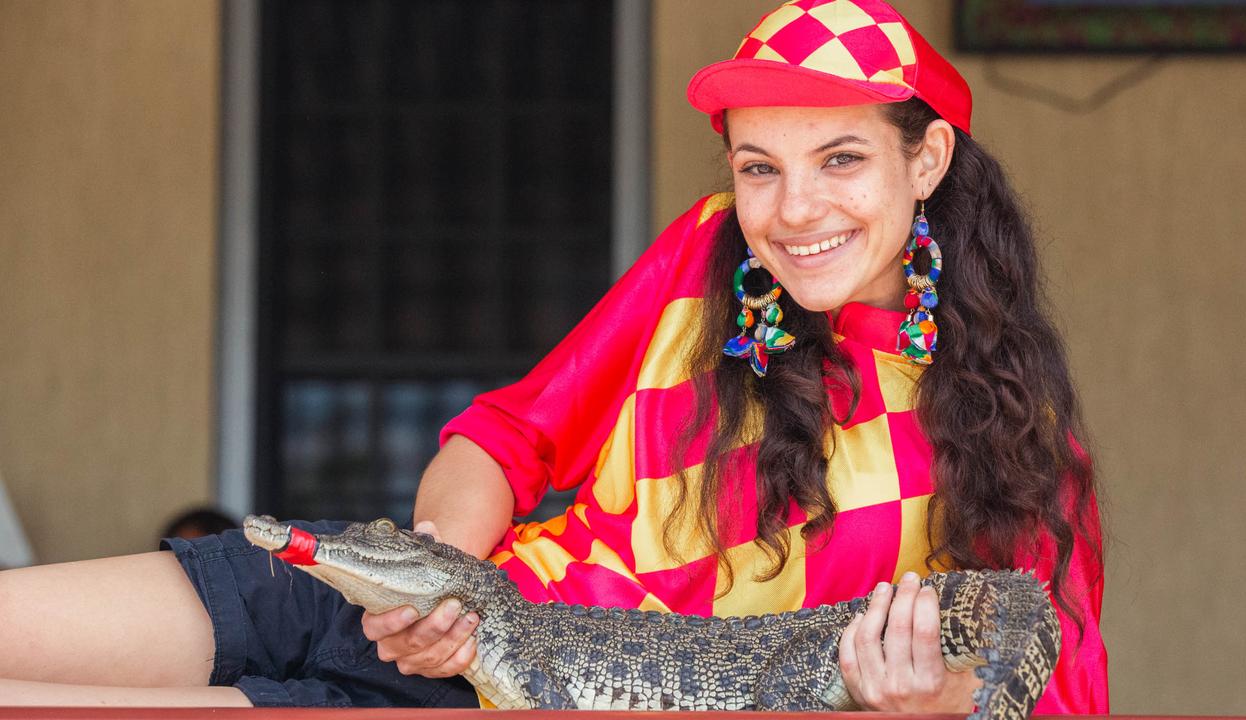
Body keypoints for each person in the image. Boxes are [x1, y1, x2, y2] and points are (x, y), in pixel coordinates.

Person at [0, 0, 1106, 712]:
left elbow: (1049, 684)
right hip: (420, 608)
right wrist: (435, 582)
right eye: (757, 165)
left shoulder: (1010, 437)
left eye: (840, 158)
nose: (790, 207)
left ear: (927, 161)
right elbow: (506, 437)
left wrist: (920, 701)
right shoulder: (708, 251)